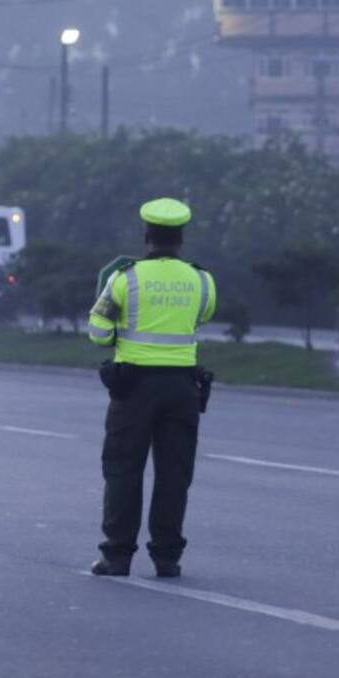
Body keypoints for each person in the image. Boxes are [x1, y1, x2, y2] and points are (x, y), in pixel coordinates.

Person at [86, 198, 216, 578]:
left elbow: (98, 334)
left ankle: (117, 555)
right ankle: (167, 557)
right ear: (181, 239)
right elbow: (203, 315)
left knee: (124, 470)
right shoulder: (202, 279)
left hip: (134, 388)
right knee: (174, 474)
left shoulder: (124, 278)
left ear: (146, 236)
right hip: (182, 389)